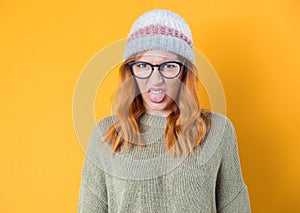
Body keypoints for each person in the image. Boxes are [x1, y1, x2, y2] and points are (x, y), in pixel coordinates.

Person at [78, 9, 251, 212]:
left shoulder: (218, 130)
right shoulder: (106, 135)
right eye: (143, 65)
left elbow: (236, 207)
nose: (156, 80)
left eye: (168, 66)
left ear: (185, 71)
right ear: (130, 71)